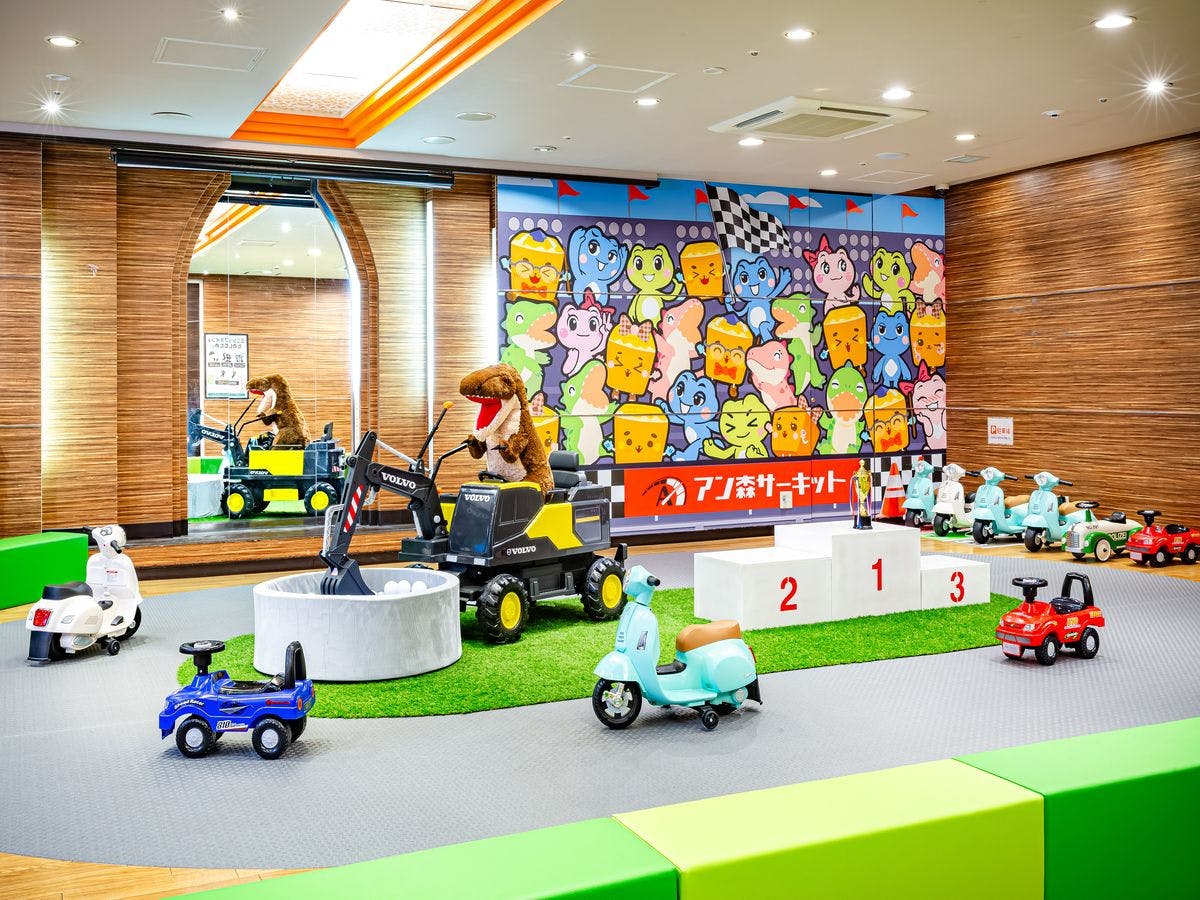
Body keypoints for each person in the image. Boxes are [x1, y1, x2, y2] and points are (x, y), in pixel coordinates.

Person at [851, 459, 873, 529]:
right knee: (861, 496)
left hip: (864, 488)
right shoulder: (857, 475)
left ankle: (863, 512)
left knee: (863, 496)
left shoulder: (867, 475)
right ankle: (862, 512)